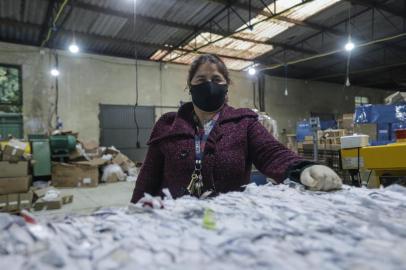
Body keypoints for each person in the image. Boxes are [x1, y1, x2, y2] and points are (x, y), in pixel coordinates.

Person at [131, 54, 342, 203]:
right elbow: (148, 176)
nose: (209, 85)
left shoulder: (244, 123)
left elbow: (271, 153)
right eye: (201, 80)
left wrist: (302, 168)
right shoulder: (168, 125)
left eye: (216, 79)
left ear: (226, 86)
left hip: (227, 224)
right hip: (173, 225)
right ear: (190, 86)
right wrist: (136, 212)